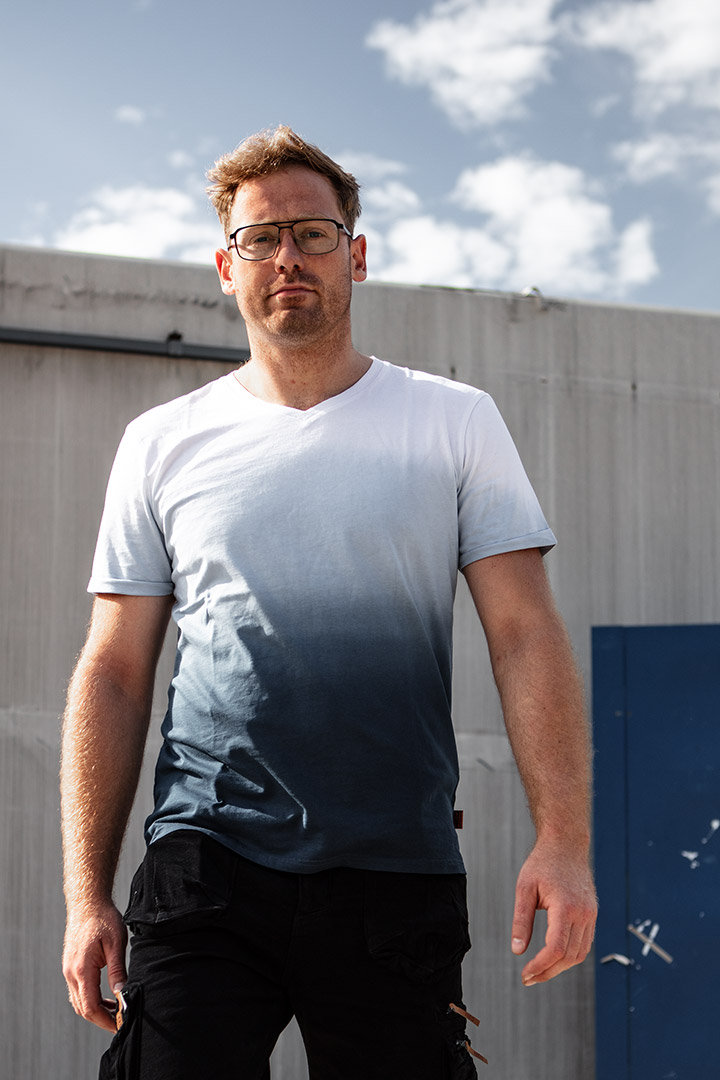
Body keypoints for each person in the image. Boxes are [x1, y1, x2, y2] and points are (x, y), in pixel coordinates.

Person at [61, 125, 597, 1079]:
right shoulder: (161, 442)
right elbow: (113, 669)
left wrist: (564, 840)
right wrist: (84, 894)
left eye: (312, 234)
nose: (287, 259)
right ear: (226, 267)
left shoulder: (453, 421)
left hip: (395, 869)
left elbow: (524, 633)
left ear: (356, 255)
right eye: (260, 239)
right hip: (205, 866)